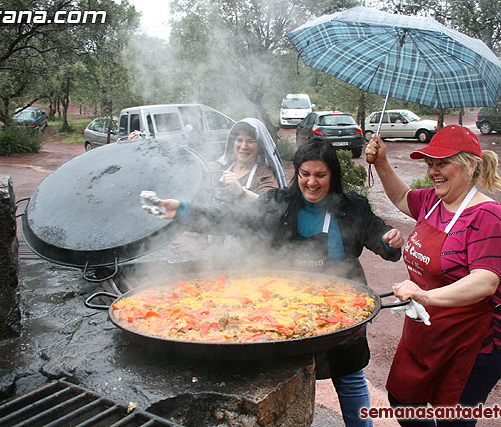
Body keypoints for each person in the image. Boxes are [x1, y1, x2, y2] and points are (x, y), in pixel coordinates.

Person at [147, 140, 404, 427]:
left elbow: (382, 239)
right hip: (282, 307)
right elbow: (232, 220)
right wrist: (183, 211)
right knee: (283, 379)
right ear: (297, 174)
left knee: (350, 376)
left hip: (343, 309)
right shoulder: (277, 202)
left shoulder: (353, 206)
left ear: (333, 175)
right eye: (305, 174)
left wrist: (389, 240)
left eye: (320, 175)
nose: (312, 182)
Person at [365, 125, 501, 426]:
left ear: (471, 165)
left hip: (473, 343)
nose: (434, 171)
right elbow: (402, 196)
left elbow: (486, 281)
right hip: (426, 330)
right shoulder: (433, 201)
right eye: (430, 164)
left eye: (442, 163)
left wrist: (425, 295)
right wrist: (381, 162)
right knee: (404, 401)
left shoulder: (488, 217)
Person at [215, 118, 281, 201]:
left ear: (259, 146)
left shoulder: (264, 174)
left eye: (250, 141)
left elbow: (270, 203)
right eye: (239, 140)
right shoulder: (219, 168)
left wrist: (241, 191)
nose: (243, 147)